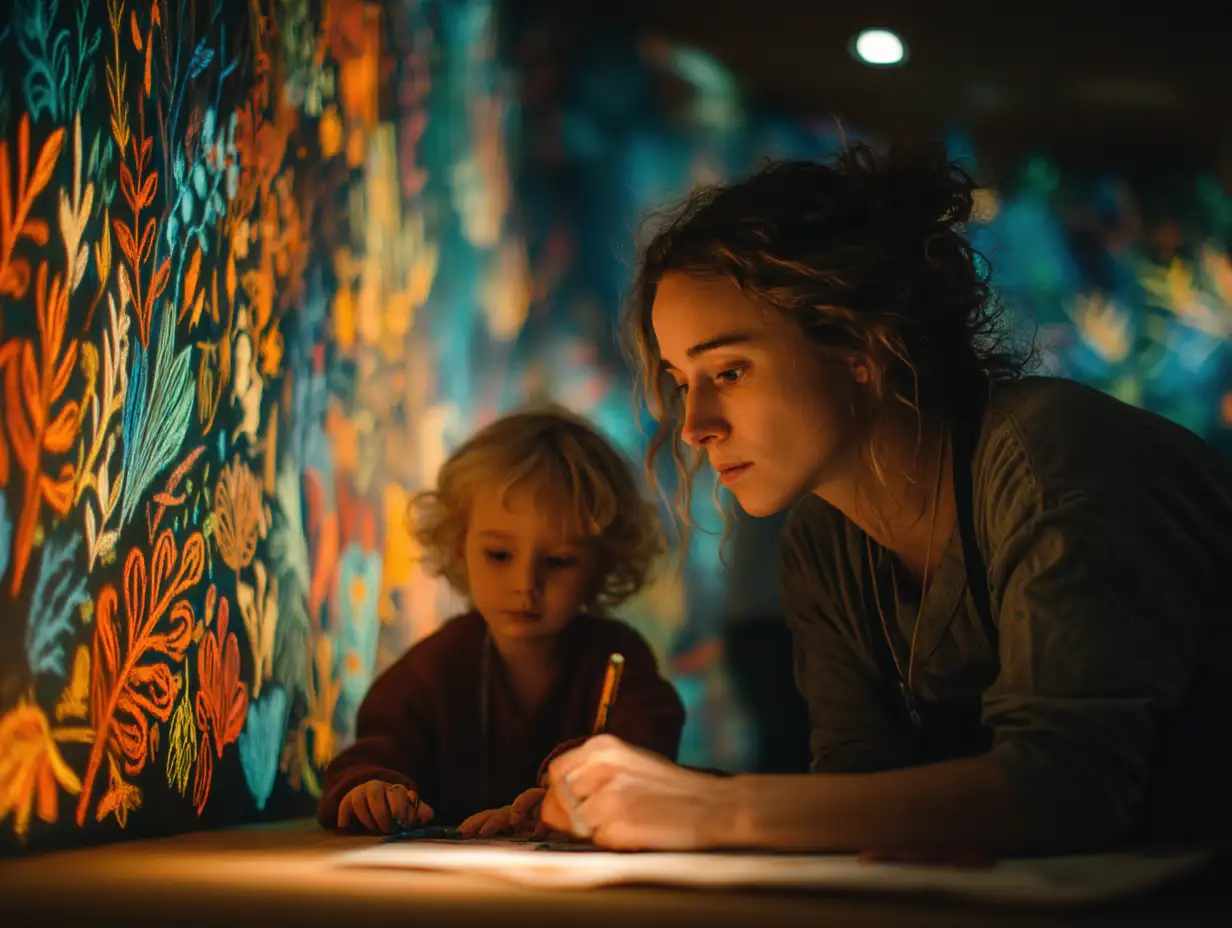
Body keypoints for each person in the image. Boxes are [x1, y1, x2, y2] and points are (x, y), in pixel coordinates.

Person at [539, 143, 1232, 856]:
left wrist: (712, 808)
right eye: (684, 380)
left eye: (731, 369)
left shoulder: (1051, 459)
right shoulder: (823, 540)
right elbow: (859, 792)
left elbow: (1065, 792)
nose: (694, 425)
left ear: (857, 347)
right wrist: (631, 798)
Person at [318, 406, 685, 835]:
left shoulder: (617, 659)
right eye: (499, 555)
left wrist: (567, 790)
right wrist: (372, 790)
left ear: (601, 567)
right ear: (459, 548)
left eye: (559, 561)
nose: (525, 584)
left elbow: (648, 751)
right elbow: (373, 754)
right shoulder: (433, 669)